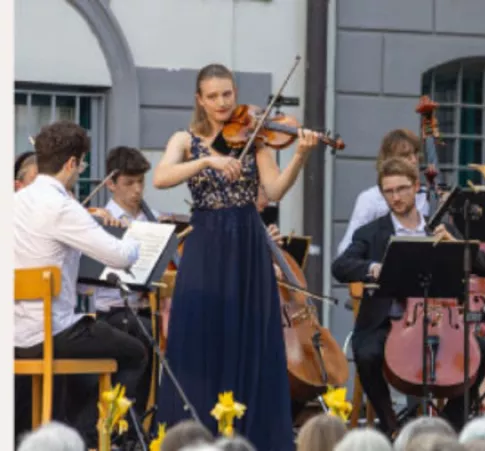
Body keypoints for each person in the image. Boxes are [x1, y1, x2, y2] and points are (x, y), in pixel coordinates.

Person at [152, 63, 319, 450]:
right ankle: (193, 440)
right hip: (206, 245)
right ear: (200, 100)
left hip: (247, 246)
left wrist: (301, 157)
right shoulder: (185, 138)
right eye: (212, 96)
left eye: (227, 93)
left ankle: (252, 441)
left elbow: (274, 191)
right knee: (200, 339)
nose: (222, 102)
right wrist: (209, 160)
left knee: (251, 341)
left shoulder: (256, 138)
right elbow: (161, 177)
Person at [332, 157, 485, 437]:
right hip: (388, 318)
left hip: (440, 318)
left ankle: (445, 426)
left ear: (416, 187)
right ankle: (392, 427)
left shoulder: (439, 227)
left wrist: (456, 244)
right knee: (366, 352)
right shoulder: (371, 233)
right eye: (389, 191)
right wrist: (374, 268)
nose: (395, 197)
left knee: (481, 350)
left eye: (402, 189)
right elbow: (340, 267)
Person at [14, 121, 146, 446]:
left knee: (97, 344)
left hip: (12, 333)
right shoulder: (63, 207)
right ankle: (88, 436)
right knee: (135, 352)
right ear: (71, 163)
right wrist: (133, 236)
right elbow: (119, 257)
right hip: (48, 333)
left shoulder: (14, 202)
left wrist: (88, 225)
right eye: (82, 163)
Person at [89, 146, 161, 416]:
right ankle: (124, 426)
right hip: (111, 309)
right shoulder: (100, 220)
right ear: (110, 184)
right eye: (129, 183)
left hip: (145, 307)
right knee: (143, 333)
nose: (137, 190)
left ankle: (146, 421)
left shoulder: (151, 217)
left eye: (141, 182)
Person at [336, 129, 430, 256]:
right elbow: (346, 249)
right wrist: (372, 268)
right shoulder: (370, 199)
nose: (413, 160)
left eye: (415, 154)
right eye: (405, 155)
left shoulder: (426, 197)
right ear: (390, 159)